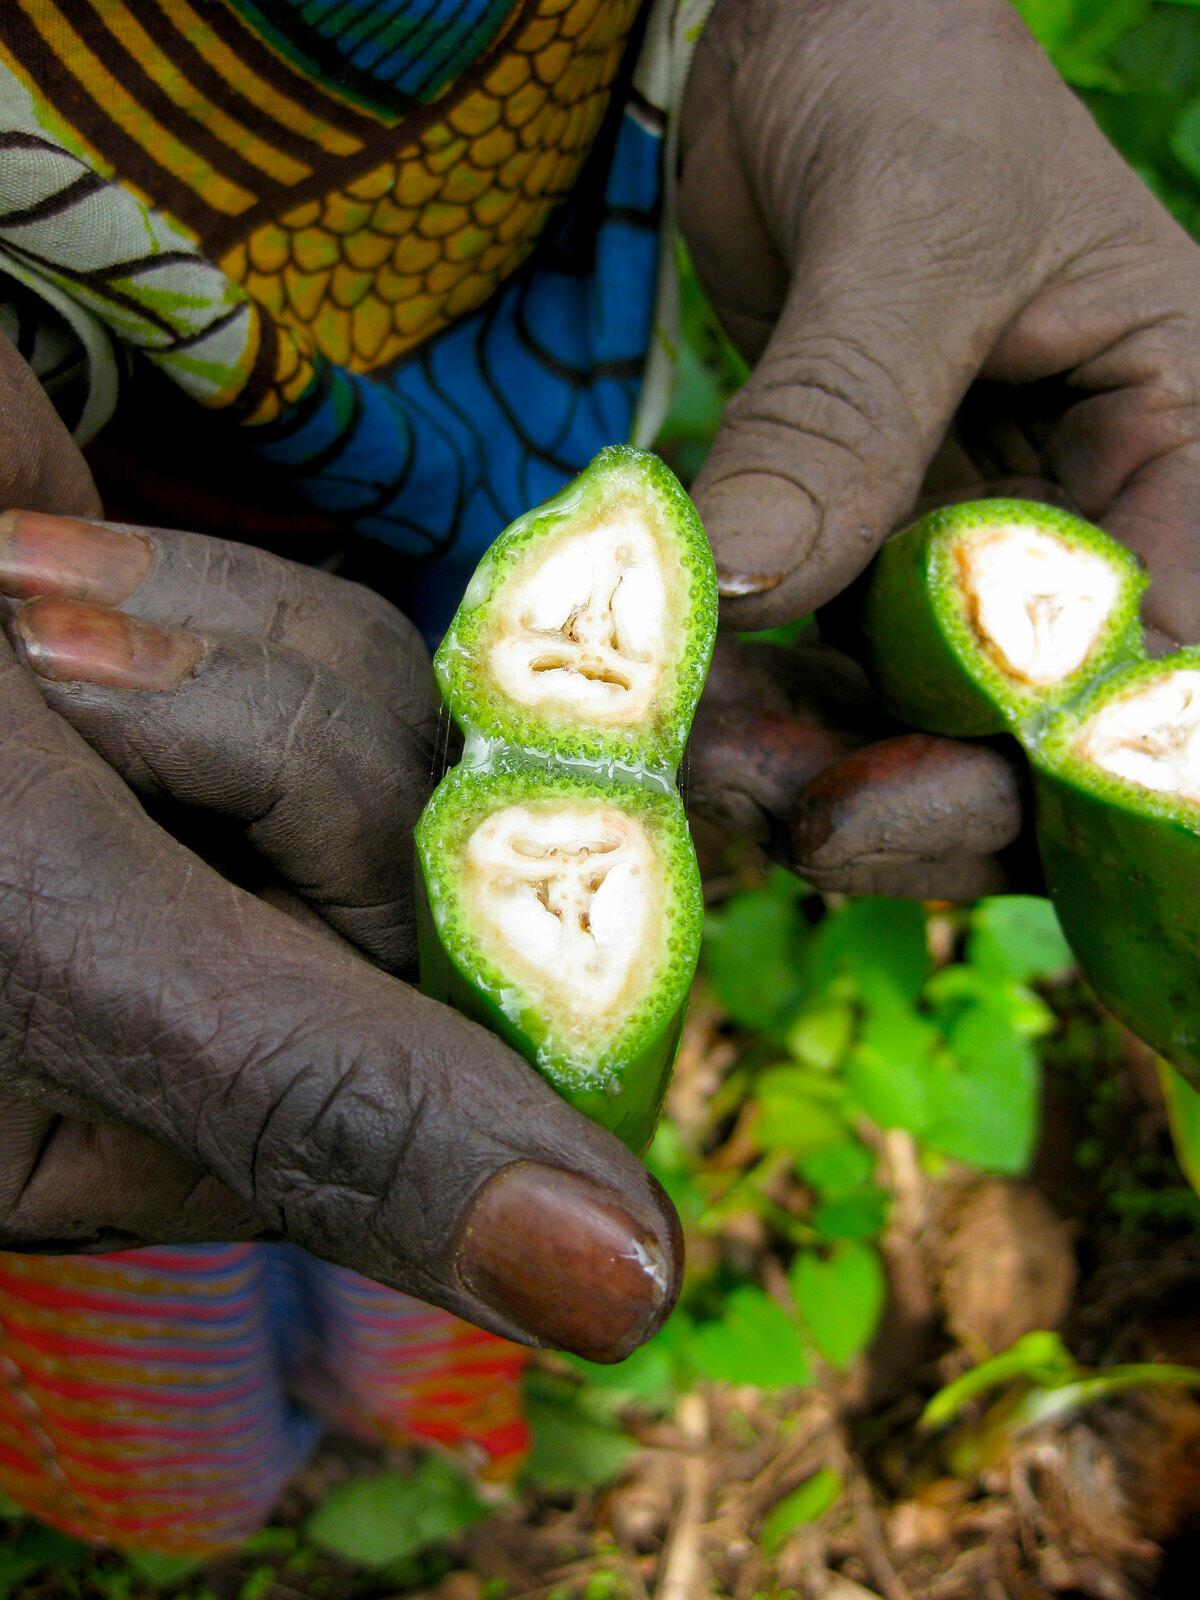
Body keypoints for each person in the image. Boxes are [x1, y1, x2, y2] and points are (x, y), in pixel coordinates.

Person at [0, 0, 1197, 1555]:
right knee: (136, 1247)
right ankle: (204, 1499)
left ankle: (394, 1440)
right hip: (60, 537)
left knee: (440, 1195)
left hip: (491, 368)